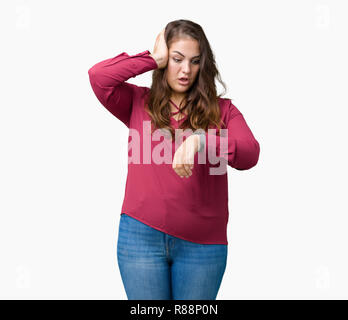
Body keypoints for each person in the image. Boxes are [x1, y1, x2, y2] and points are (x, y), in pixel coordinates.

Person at [88, 19, 260, 300]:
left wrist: (200, 140)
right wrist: (151, 58)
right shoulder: (138, 101)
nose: (185, 70)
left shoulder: (223, 111)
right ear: (165, 60)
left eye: (194, 61)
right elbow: (99, 76)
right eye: (176, 59)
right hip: (139, 238)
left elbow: (250, 154)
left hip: (202, 245)